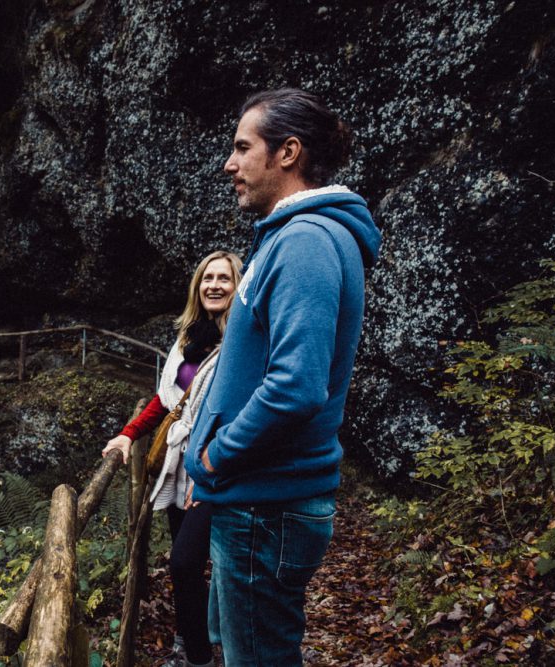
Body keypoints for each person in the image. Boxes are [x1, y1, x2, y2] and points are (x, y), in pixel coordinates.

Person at [185, 88, 382, 666]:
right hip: (256, 500)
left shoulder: (306, 243)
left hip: (265, 510)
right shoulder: (288, 238)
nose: (230, 164)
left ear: (288, 152)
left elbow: (296, 386)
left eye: (243, 148)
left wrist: (217, 456)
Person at [102, 250, 243, 667]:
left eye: (224, 278)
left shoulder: (243, 341)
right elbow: (168, 403)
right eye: (207, 278)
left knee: (187, 562)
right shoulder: (187, 338)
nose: (214, 285)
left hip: (218, 467)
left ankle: (203, 656)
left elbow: (237, 410)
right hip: (179, 466)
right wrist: (128, 434)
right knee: (189, 562)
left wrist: (210, 465)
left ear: (238, 286)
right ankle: (191, 639)